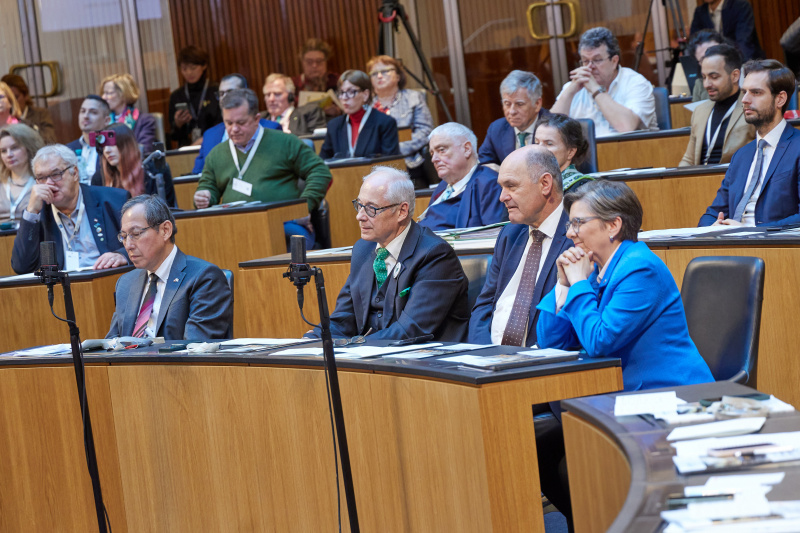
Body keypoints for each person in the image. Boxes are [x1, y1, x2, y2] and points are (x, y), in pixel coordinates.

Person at [537, 179, 714, 390]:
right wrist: (564, 284)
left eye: (578, 223)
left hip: (672, 393)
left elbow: (599, 342)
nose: (569, 233)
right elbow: (550, 343)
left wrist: (578, 282)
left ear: (613, 225)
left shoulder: (640, 269)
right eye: (569, 224)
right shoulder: (594, 270)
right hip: (622, 392)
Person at [308, 166, 469, 341]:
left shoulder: (435, 255)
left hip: (421, 355)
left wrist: (353, 345)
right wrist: (314, 340)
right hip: (368, 352)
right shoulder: (363, 249)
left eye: (371, 208)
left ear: (402, 211)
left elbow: (409, 331)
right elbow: (343, 319)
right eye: (359, 205)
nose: (360, 216)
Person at [194, 88, 331, 246]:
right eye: (229, 123)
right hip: (234, 226)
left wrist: (303, 207)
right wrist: (204, 196)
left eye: (241, 123)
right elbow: (208, 186)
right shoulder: (216, 153)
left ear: (256, 119)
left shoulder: (285, 142)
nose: (234, 129)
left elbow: (320, 172)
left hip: (282, 224)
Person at [469, 145, 571, 347]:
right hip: (491, 355)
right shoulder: (510, 234)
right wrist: (483, 352)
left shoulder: (577, 234)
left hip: (542, 356)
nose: (502, 197)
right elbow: (484, 306)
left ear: (545, 184)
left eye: (511, 186)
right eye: (501, 187)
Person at [107, 195, 233, 340]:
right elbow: (112, 344)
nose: (128, 245)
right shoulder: (126, 283)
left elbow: (195, 346)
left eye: (136, 234)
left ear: (165, 230)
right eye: (124, 236)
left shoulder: (205, 278)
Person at [699, 59, 800, 227]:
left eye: (756, 92)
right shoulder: (741, 155)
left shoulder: (797, 147)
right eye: (744, 92)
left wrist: (750, 232)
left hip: (771, 242)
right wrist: (712, 228)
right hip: (733, 241)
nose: (745, 100)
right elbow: (712, 214)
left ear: (780, 99)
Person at [11, 144, 129, 274]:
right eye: (41, 178)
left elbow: (141, 244)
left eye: (55, 174)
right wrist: (31, 212)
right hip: (63, 285)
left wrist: (121, 255)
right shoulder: (39, 214)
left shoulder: (114, 200)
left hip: (107, 280)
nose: (48, 183)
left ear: (75, 173)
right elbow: (21, 267)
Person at [550, 27, 657, 137]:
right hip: (586, 148)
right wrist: (569, 93)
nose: (590, 67)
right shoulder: (573, 87)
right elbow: (550, 131)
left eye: (597, 60)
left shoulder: (637, 83)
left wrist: (596, 90)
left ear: (614, 61)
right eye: (585, 61)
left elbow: (626, 127)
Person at [417, 122, 507, 231]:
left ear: (467, 149)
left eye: (441, 150)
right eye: (432, 153)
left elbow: (493, 234)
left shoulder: (488, 184)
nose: (434, 159)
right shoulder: (442, 186)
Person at [680, 44, 755, 167]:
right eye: (704, 77)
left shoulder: (753, 108)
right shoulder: (700, 111)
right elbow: (688, 159)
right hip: (700, 177)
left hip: (734, 177)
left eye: (714, 77)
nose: (706, 84)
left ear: (735, 76)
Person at [191, 74, 280, 175]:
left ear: (246, 94)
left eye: (230, 92)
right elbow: (197, 175)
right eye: (221, 93)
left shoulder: (271, 128)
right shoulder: (210, 135)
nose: (224, 98)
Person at [367, 55, 434, 185]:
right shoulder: (367, 107)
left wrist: (395, 150)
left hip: (411, 164)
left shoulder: (413, 98)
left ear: (398, 76)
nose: (379, 76)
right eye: (374, 73)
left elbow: (425, 131)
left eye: (385, 71)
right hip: (374, 169)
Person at [319, 70, 400, 160]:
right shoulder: (334, 125)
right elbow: (322, 161)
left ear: (365, 95)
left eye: (351, 92)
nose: (344, 98)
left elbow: (390, 163)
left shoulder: (385, 123)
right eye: (341, 92)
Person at [478, 70, 552, 166]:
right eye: (507, 104)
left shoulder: (554, 128)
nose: (512, 111)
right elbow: (484, 163)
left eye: (519, 104)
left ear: (537, 104)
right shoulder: (496, 129)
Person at [92, 124, 176, 207]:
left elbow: (167, 209)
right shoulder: (99, 179)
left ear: (127, 145)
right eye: (104, 146)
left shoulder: (155, 172)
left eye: (112, 144)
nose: (107, 150)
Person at [169, 45, 223, 148]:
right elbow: (174, 136)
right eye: (184, 69)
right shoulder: (176, 96)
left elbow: (223, 126)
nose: (189, 73)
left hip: (214, 145)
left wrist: (204, 140)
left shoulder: (216, 90)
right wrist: (178, 124)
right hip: (186, 149)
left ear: (204, 66)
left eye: (193, 68)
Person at [534, 114, 594, 192]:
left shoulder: (583, 189)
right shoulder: (532, 181)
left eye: (549, 144)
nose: (539, 149)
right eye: (537, 143)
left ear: (571, 152)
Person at [99, 73, 157, 155]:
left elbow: (144, 150)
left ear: (123, 94)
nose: (104, 97)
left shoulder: (145, 120)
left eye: (109, 93)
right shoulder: (103, 121)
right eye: (103, 93)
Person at [690, 0, 764, 62]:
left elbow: (744, 42)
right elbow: (694, 41)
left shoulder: (740, 6)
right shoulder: (700, 12)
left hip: (742, 60)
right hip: (713, 63)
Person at [0, 124, 44, 225]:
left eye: (14, 148)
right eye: (3, 151)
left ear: (29, 148)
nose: (9, 155)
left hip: (31, 234)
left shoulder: (42, 183)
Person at [66, 95, 112, 184]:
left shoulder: (112, 148)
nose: (86, 116)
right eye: (83, 111)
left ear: (106, 120)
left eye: (93, 112)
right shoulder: (68, 150)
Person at [291, 38, 342, 120]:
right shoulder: (293, 84)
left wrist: (338, 111)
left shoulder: (337, 81)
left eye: (319, 61)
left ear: (326, 62)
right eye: (309, 62)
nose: (314, 65)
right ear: (302, 63)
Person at [1, 74, 57, 144]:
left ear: (26, 95)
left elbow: (50, 140)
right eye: (9, 98)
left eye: (16, 97)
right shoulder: (3, 119)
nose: (13, 101)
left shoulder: (41, 114)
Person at [685, 30, 726, 102]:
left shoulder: (744, 75)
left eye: (714, 54)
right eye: (704, 59)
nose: (711, 61)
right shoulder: (700, 85)